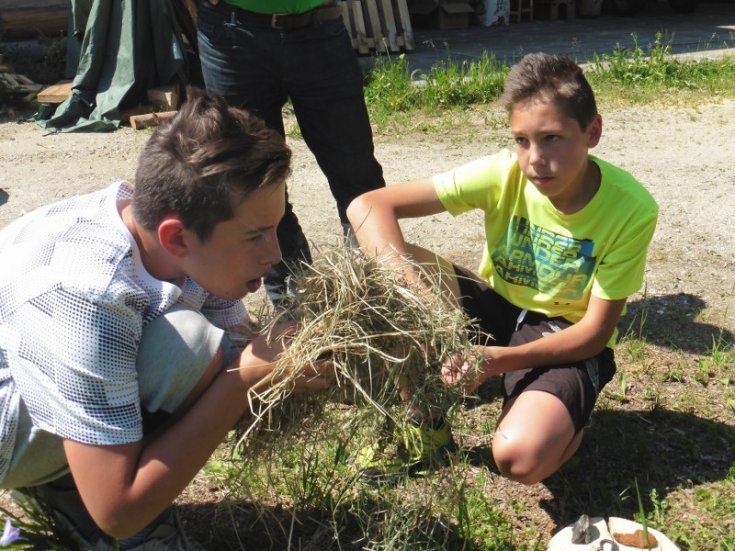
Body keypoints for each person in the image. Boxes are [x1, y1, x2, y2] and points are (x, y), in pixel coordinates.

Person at [0, 88, 332, 550]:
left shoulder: (154, 223)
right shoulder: (91, 298)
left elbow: (237, 336)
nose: (274, 255)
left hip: (36, 382)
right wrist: (241, 380)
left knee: (212, 347)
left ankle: (83, 465)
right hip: (6, 434)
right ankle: (74, 489)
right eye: (256, 235)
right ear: (177, 238)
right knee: (190, 350)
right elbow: (117, 512)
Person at [347, 53, 659, 485]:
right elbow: (367, 206)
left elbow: (595, 333)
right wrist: (414, 295)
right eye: (522, 140)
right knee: (378, 267)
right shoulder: (503, 172)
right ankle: (427, 426)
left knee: (520, 459)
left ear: (593, 132)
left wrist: (498, 361)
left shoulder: (631, 208)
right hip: (493, 306)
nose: (534, 158)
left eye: (552, 138)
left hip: (561, 332)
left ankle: (570, 417)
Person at [196, 0, 386, 305]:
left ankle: (374, 295)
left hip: (320, 27)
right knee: (253, 182)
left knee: (355, 173)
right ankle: (295, 307)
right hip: (232, 36)